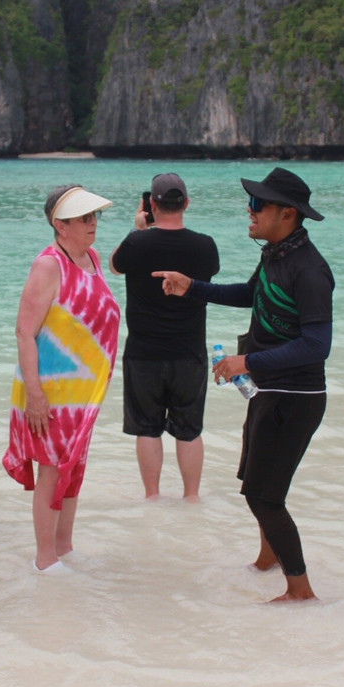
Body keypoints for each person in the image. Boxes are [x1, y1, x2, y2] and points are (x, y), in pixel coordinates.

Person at [154, 168, 333, 602]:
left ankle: (300, 592)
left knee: (264, 496)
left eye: (258, 204)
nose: (248, 211)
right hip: (268, 390)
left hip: (295, 398)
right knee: (255, 484)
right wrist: (191, 287)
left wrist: (245, 361)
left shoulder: (310, 270)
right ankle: (268, 559)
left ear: (287, 214)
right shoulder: (276, 254)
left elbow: (317, 345)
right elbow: (249, 294)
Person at [3, 185, 121, 574]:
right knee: (51, 470)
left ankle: (64, 546)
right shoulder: (49, 266)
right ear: (60, 225)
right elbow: (24, 332)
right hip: (49, 391)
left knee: (73, 467)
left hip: (83, 395)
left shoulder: (93, 257)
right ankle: (44, 558)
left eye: (94, 217)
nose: (92, 224)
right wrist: (34, 394)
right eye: (83, 218)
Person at [109, 173, 219, 501]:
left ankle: (152, 498)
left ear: (151, 204)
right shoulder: (204, 245)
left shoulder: (137, 242)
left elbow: (114, 266)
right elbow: (211, 272)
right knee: (189, 429)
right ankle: (191, 498)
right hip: (189, 352)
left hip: (144, 352)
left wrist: (139, 229)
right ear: (185, 203)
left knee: (147, 428)